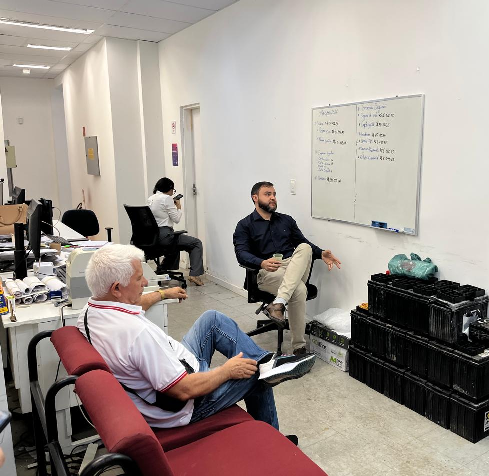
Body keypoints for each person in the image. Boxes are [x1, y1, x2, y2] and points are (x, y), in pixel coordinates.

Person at [77, 244, 316, 430]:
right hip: (186, 405)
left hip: (178, 367)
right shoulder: (136, 334)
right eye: (139, 279)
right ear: (117, 288)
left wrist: (162, 294)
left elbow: (135, 303)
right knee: (254, 372)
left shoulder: (91, 311)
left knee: (212, 319)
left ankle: (267, 363)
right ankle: (271, 440)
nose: (146, 282)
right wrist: (226, 371)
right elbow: (182, 391)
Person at [233, 181, 341, 356]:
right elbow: (241, 254)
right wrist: (261, 262)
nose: (273, 198)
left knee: (304, 247)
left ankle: (278, 303)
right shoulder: (244, 225)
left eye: (274, 194)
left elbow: (303, 242)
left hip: (293, 265)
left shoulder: (286, 220)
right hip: (269, 271)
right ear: (255, 198)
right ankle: (299, 347)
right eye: (267, 194)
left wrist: (321, 253)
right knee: (299, 290)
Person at [148, 177, 205, 286]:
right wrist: (178, 206)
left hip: (152, 237)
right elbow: (176, 219)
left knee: (175, 244)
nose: (172, 193)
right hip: (165, 236)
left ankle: (163, 269)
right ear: (169, 188)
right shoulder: (166, 198)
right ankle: (194, 275)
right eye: (172, 190)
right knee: (196, 243)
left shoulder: (151, 198)